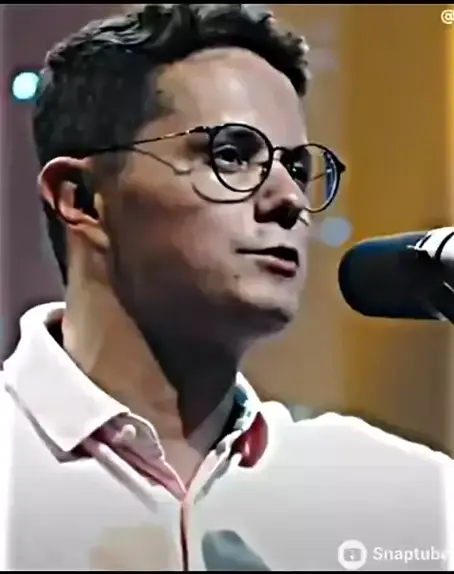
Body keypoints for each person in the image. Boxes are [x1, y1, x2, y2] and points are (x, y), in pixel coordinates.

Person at [1, 4, 452, 571]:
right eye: (232, 155)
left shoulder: (405, 497)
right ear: (83, 199)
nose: (289, 199)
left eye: (296, 167)